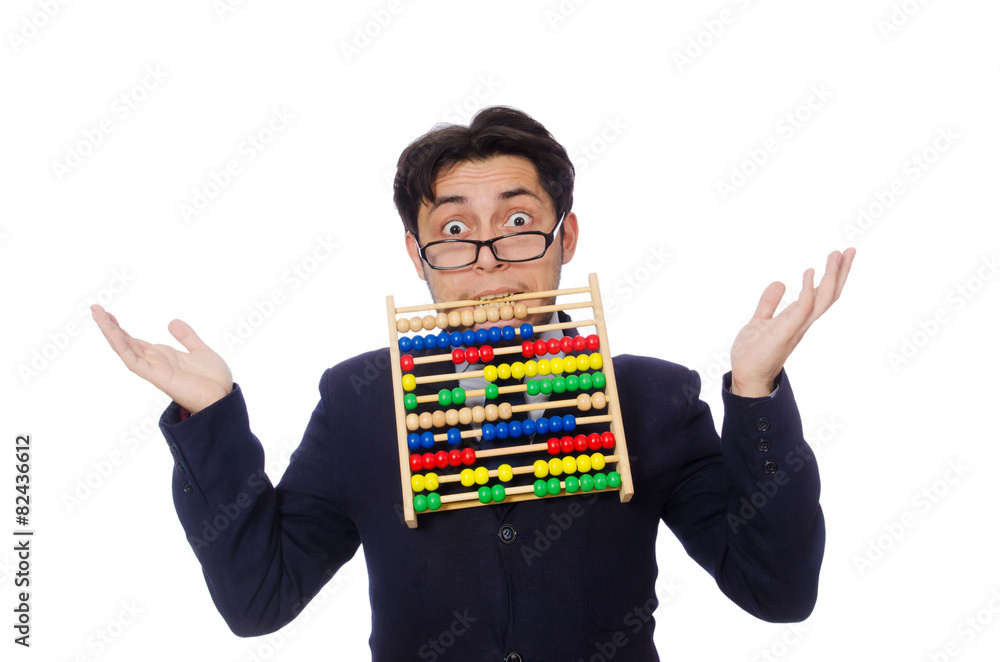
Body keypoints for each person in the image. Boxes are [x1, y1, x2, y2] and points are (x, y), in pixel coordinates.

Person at [91, 106, 855, 661]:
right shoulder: (360, 403)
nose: (489, 259)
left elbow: (779, 592)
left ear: (566, 236)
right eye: (454, 232)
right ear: (417, 255)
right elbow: (260, 601)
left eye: (518, 223)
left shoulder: (653, 401)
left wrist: (755, 394)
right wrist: (212, 419)